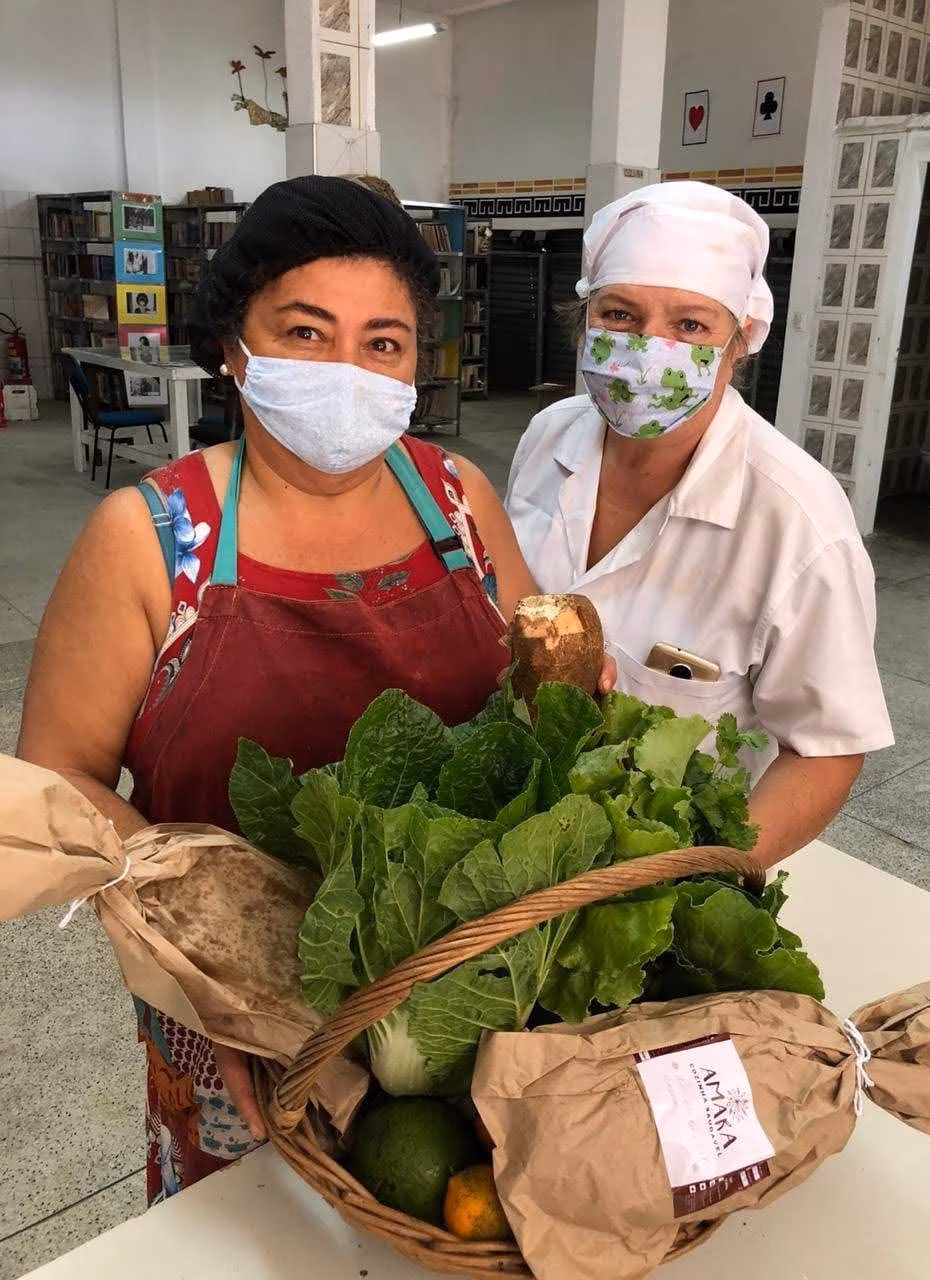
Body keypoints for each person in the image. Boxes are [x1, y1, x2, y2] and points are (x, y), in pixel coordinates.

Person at [16, 175, 548, 1202]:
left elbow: (530, 698)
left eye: (383, 343)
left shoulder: (460, 503)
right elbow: (56, 779)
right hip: (229, 1022)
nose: (348, 371)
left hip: (464, 994)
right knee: (255, 1239)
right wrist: (225, 976)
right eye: (306, 332)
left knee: (458, 1221)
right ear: (233, 345)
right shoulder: (153, 539)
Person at [507, 181, 893, 869]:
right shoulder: (548, 436)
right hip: (524, 822)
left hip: (676, 855)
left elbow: (825, 751)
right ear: (584, 321)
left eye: (690, 326)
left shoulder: (799, 522)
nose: (647, 349)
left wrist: (685, 879)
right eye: (619, 314)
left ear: (739, 344)